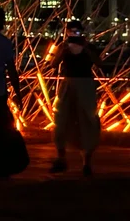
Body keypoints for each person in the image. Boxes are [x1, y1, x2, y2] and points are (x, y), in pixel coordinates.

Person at [48, 20, 101, 175]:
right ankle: (61, 157)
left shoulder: (89, 47)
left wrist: (86, 49)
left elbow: (99, 63)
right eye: (71, 31)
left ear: (81, 32)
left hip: (85, 84)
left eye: (76, 31)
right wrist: (62, 51)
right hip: (68, 82)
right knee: (61, 118)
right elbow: (53, 64)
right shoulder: (63, 47)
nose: (74, 34)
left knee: (87, 119)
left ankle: (87, 162)